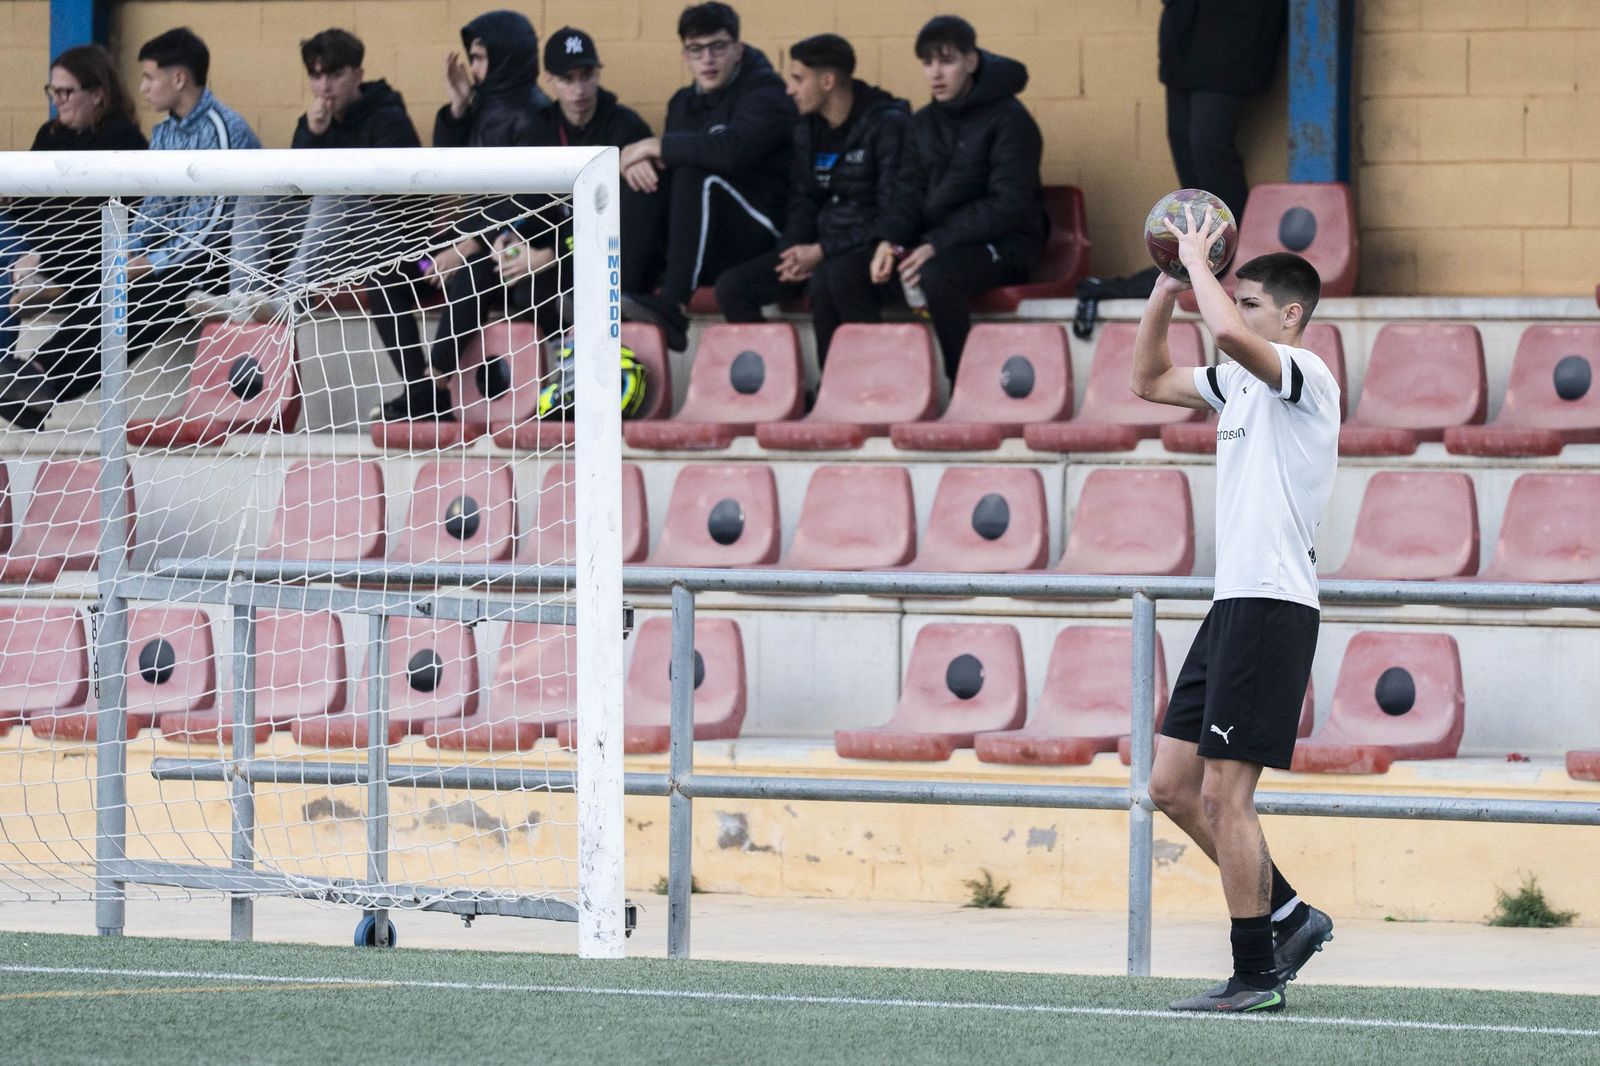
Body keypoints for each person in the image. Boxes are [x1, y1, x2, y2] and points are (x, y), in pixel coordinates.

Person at [1130, 210, 1339, 1013]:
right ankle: (1287, 914)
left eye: (1251, 300)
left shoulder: (1305, 373)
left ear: (1289, 316)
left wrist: (1199, 267)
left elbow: (1223, 335)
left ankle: (1255, 975)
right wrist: (1166, 284)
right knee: (1173, 787)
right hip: (1233, 606)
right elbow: (1148, 380)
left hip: (1273, 606)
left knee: (1227, 795)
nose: (1233, 309)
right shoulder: (1241, 381)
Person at [0, 28, 256, 426]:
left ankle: (41, 379)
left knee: (149, 288)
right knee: (114, 278)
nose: (142, 87)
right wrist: (124, 255)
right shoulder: (166, 131)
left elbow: (213, 226)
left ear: (178, 79)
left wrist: (150, 262)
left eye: (150, 77)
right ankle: (37, 384)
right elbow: (153, 209)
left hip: (223, 261)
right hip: (179, 257)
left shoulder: (223, 128)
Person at [371, 9, 555, 423]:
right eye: (472, 57)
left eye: (482, 57)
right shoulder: (480, 105)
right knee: (389, 273)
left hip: (512, 252)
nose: (474, 68)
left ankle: (435, 378)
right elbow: (446, 169)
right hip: (462, 240)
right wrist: (456, 107)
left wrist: (469, 243)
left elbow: (530, 204)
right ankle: (422, 391)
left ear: (509, 56)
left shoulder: (534, 116)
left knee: (472, 271)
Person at [189, 28, 423, 328]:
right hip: (326, 244)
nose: (325, 87)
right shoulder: (311, 123)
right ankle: (242, 297)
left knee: (335, 194)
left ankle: (289, 299)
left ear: (358, 74)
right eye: (315, 76)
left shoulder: (389, 118)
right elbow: (294, 191)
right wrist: (311, 136)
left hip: (386, 246)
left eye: (335, 75)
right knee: (254, 193)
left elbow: (404, 202)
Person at [864, 16, 1047, 379]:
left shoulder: (1010, 118)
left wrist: (934, 244)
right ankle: (875, 387)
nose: (935, 73)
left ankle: (964, 384)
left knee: (937, 276)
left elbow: (1010, 203)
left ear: (971, 61)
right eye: (928, 62)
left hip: (1006, 244)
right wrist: (888, 241)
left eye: (946, 60)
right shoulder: (922, 122)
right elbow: (908, 193)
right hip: (941, 243)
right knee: (842, 275)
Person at [713, 33, 908, 366]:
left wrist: (822, 251)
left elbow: (893, 211)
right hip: (817, 252)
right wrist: (793, 253)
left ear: (828, 81)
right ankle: (780, 390)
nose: (790, 89)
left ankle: (853, 389)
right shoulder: (805, 128)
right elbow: (802, 200)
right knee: (732, 288)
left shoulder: (887, 124)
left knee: (832, 278)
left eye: (798, 79)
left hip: (868, 253)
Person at [618, 2, 797, 351]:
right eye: (696, 50)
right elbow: (668, 161)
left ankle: (674, 307)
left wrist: (656, 146)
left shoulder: (767, 93)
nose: (708, 60)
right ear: (685, 56)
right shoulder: (682, 103)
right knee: (646, 180)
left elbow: (731, 150)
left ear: (738, 49)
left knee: (695, 175)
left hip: (759, 235)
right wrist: (634, 162)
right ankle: (619, 297)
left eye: (718, 47)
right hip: (703, 242)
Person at [2, 44, 146, 428]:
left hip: (86, 252)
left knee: (8, 255)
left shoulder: (122, 138)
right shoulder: (50, 135)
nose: (57, 103)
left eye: (66, 93)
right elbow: (31, 205)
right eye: (52, 93)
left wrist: (41, 256)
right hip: (44, 242)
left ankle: (14, 367)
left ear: (98, 92)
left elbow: (93, 215)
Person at [532, 27, 664, 296]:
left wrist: (551, 253)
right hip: (565, 248)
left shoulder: (625, 125)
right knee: (529, 290)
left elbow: (633, 213)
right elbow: (529, 205)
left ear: (598, 75)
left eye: (587, 76)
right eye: (568, 79)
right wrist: (509, 241)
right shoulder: (540, 129)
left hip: (616, 253)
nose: (579, 89)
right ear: (549, 80)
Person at [1159, 0, 1288, 222]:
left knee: (1207, 146)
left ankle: (1235, 245)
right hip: (1184, 30)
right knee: (1182, 140)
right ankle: (1205, 247)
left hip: (1234, 32)